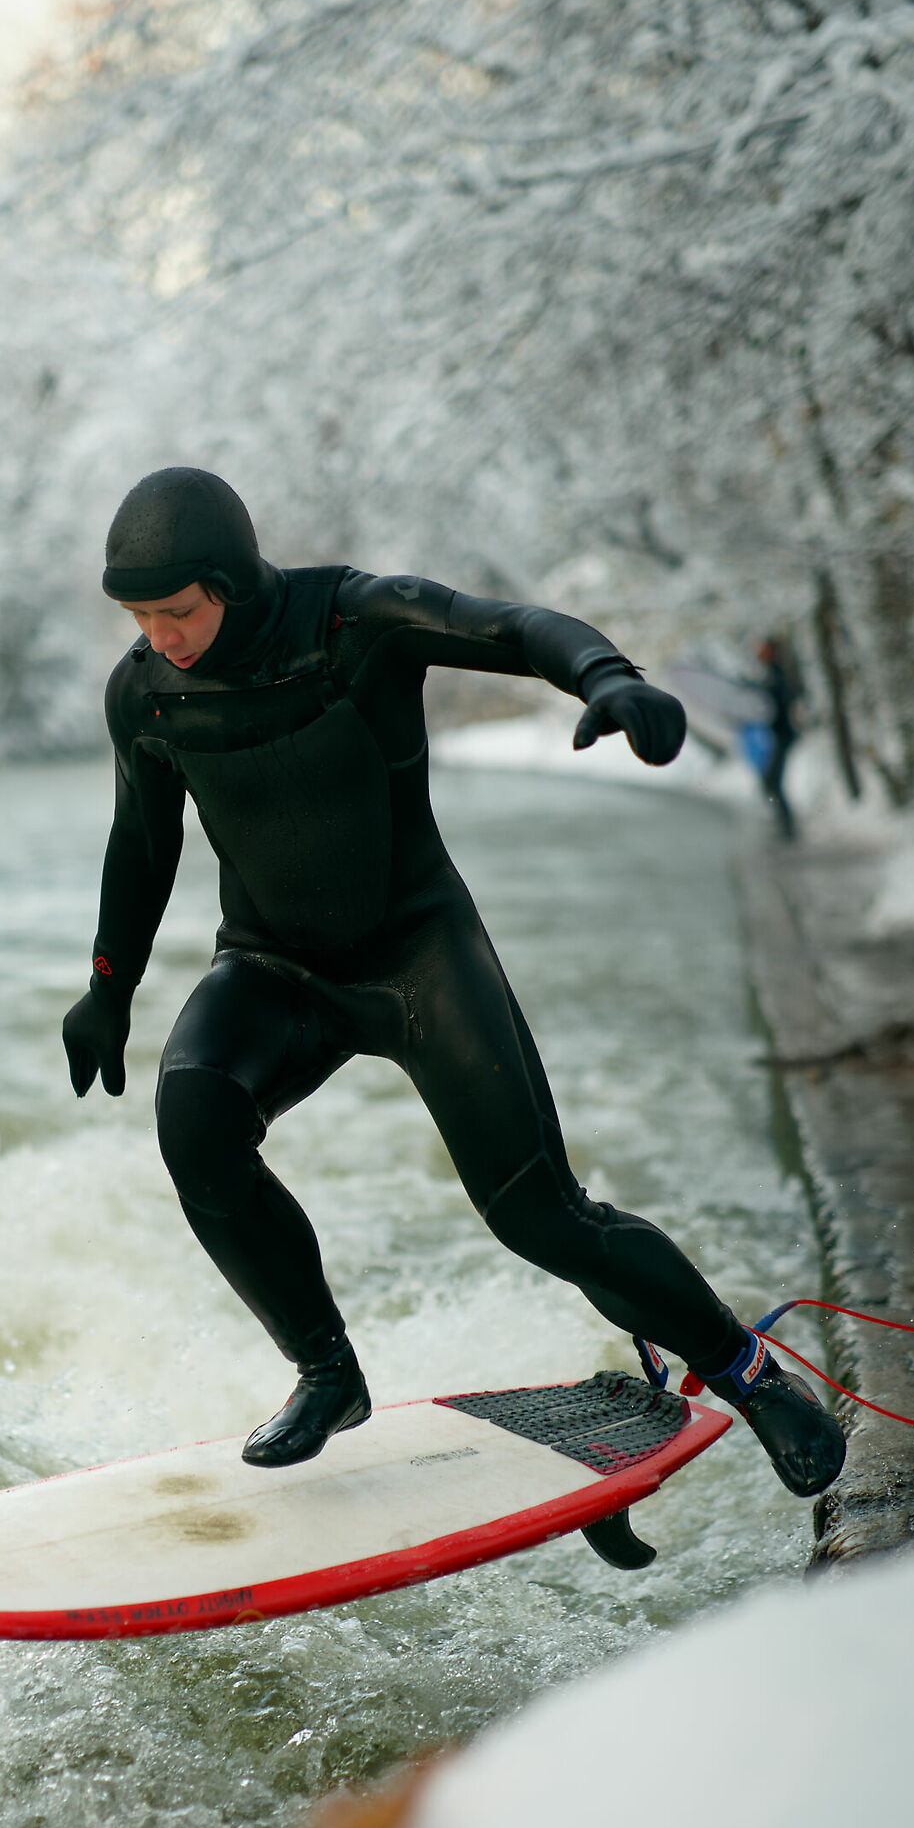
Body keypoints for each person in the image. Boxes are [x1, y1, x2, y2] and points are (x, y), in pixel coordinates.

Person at [62, 467, 846, 1496]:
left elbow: (508, 626)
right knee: (193, 1121)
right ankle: (326, 1374)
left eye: (179, 610)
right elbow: (140, 843)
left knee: (538, 1216)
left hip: (415, 955)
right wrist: (107, 988)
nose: (159, 635)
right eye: (138, 616)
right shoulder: (145, 692)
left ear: (234, 582)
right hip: (272, 967)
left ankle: (749, 1376)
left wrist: (605, 676)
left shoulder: (351, 620)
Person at [752, 634, 804, 840]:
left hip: (782, 736)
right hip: (778, 735)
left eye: (762, 649)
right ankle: (784, 826)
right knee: (771, 782)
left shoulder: (777, 675)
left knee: (772, 782)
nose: (758, 653)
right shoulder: (773, 675)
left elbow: (779, 703)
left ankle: (787, 829)